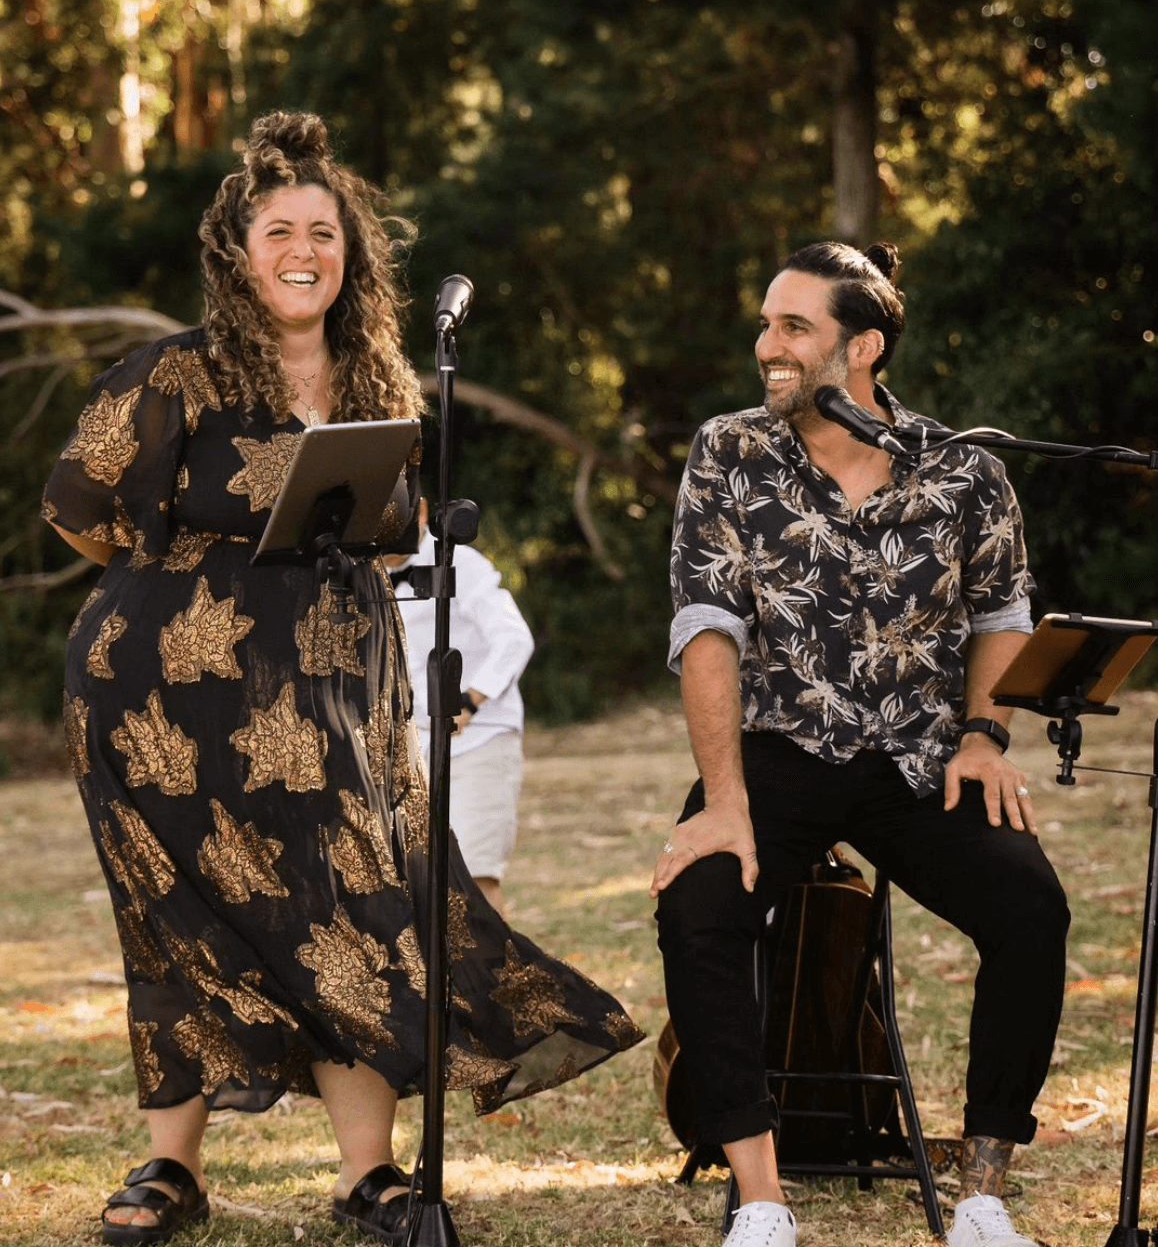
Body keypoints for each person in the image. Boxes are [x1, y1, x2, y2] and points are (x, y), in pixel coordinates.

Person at [42, 110, 643, 1247]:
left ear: (350, 251)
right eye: (278, 230)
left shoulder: (380, 375)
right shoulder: (177, 371)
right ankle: (172, 1170)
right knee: (176, 918)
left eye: (323, 229)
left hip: (327, 698)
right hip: (157, 708)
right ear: (239, 249)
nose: (302, 249)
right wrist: (182, 588)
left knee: (350, 903)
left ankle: (367, 1176)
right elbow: (76, 508)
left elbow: (389, 534)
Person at [650, 241, 1069, 1247]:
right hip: (779, 748)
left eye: (794, 327)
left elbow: (1003, 608)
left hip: (920, 760)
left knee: (1032, 911)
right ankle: (760, 1198)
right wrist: (723, 798)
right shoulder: (730, 452)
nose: (768, 347)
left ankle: (981, 1193)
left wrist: (982, 734)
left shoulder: (965, 470)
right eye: (765, 324)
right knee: (699, 904)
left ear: (864, 346)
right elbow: (705, 625)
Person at [384, 500, 535, 916]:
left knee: (473, 882)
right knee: (416, 889)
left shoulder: (461, 563)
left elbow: (513, 639)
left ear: (420, 511)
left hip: (479, 742)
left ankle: (495, 982)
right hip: (409, 753)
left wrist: (468, 700)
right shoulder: (363, 578)